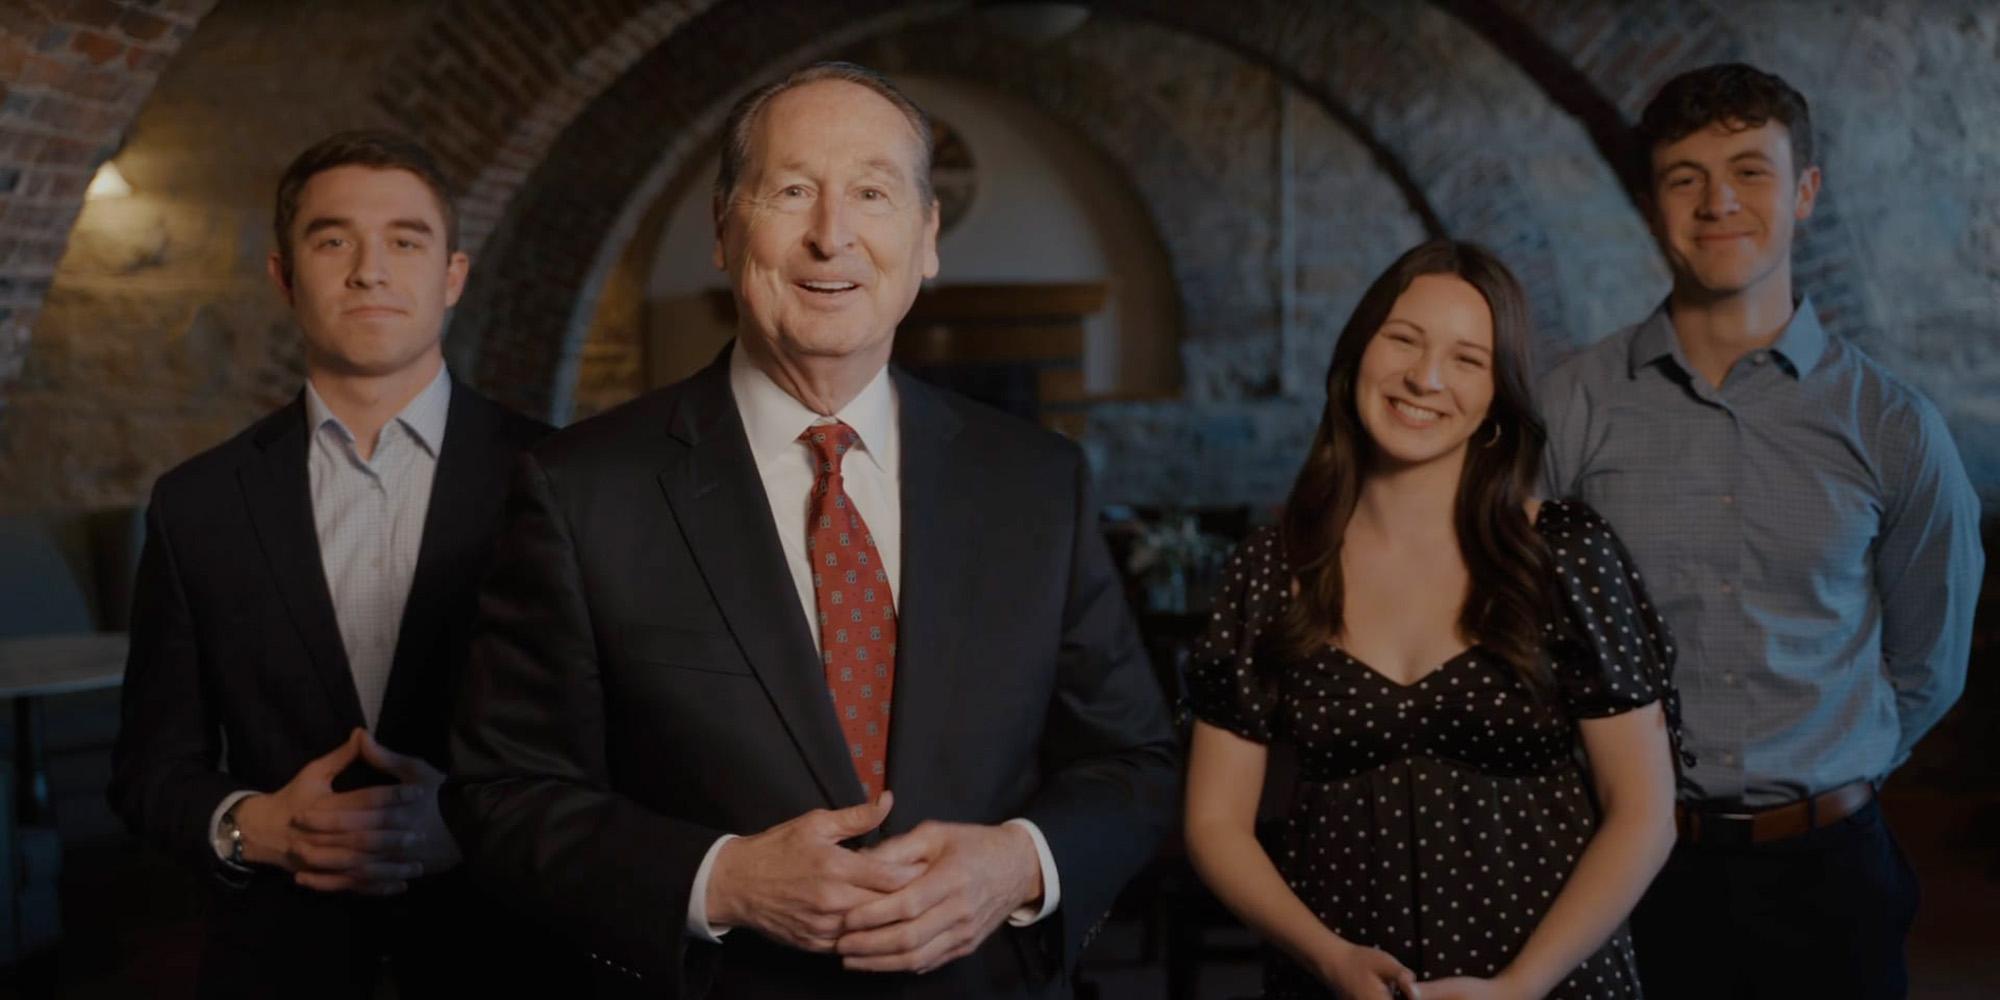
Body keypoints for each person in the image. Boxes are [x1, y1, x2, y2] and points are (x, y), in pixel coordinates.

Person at [443, 61, 1178, 998]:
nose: (832, 236)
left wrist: (1020, 864)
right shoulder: (580, 488)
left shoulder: (1038, 483)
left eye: (872, 193)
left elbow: (1134, 763)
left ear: (926, 238)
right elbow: (503, 793)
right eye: (793, 192)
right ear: (724, 228)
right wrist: (723, 881)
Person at [1539, 63, 1984, 998]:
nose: (1718, 202)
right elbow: (1515, 618)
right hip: (1625, 868)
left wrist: (1828, 765)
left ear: (1805, 192)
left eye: (1750, 170)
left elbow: (1928, 665)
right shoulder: (1570, 405)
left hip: (1831, 877)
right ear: (1653, 203)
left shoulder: (1894, 425)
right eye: (1685, 177)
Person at [108, 131, 557, 996]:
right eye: (332, 240)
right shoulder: (195, 504)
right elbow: (149, 768)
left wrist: (472, 824)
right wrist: (252, 827)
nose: (370, 270)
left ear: (452, 275)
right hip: (281, 966)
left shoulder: (565, 481)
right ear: (284, 277)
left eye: (406, 240)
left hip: (506, 958)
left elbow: (616, 750)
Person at [1185, 240, 1681, 999]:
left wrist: (1520, 986)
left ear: (1497, 397)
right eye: (1404, 340)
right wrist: (1326, 956)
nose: (1426, 378)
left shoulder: (1566, 555)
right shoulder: (1270, 569)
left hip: (1555, 985)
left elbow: (1644, 813)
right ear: (1357, 356)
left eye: (1468, 359)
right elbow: (1215, 825)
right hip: (1335, 983)